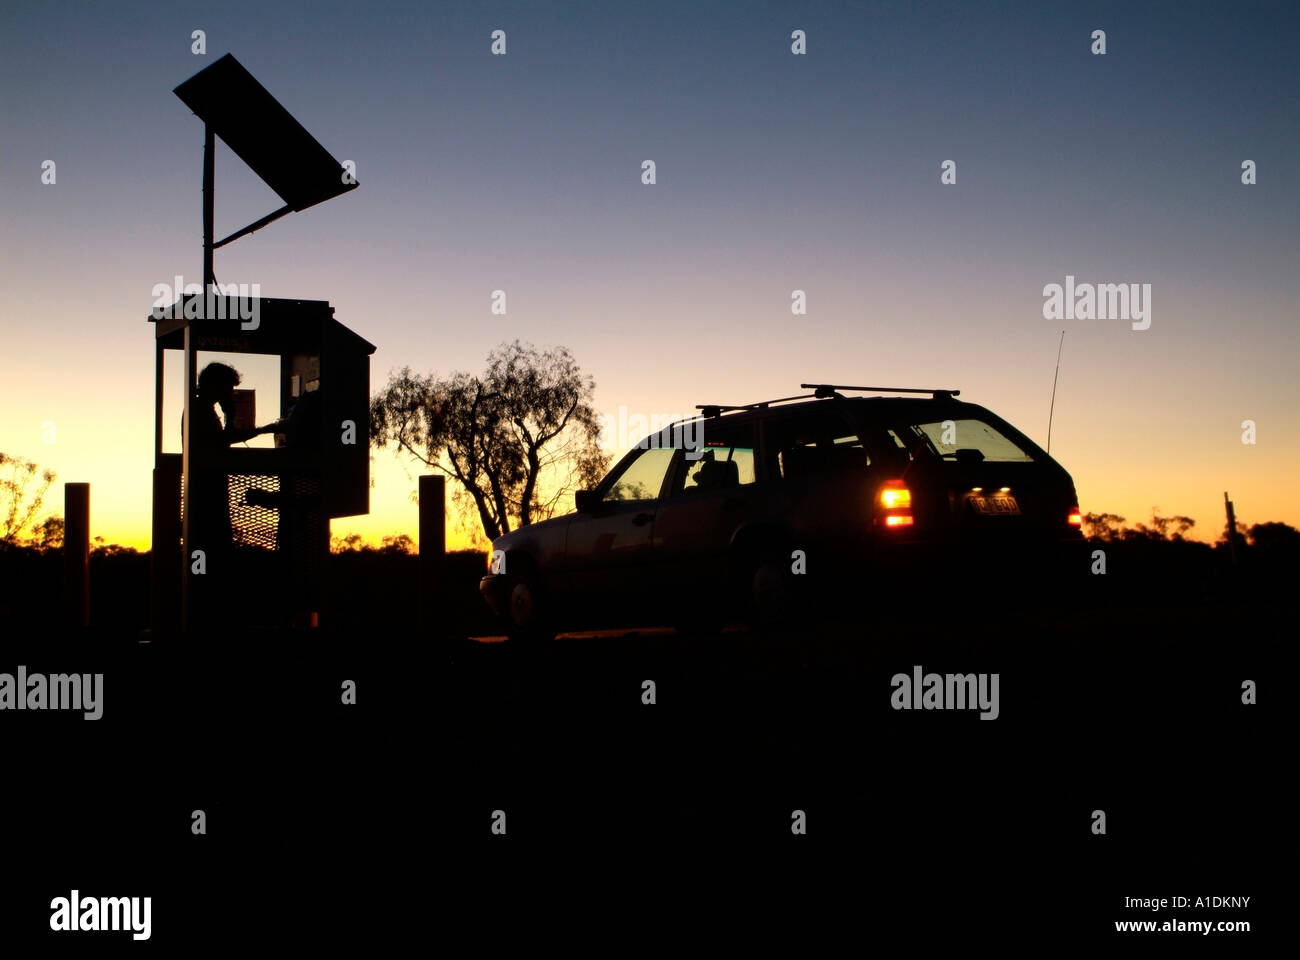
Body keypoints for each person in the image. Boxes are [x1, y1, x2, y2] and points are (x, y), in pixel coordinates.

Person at [182, 362, 282, 621]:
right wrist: (259, 429)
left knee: (215, 548)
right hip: (206, 493)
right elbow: (219, 442)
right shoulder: (199, 410)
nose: (229, 393)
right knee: (211, 547)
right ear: (215, 385)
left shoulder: (203, 408)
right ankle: (205, 611)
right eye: (227, 387)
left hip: (210, 490)